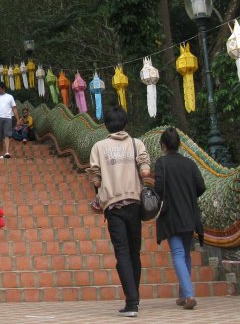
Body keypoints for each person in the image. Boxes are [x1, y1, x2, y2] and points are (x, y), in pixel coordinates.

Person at [87, 106, 151, 318]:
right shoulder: (136, 143)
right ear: (125, 123)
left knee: (122, 253)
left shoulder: (99, 147)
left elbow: (95, 178)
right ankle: (135, 300)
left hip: (114, 207)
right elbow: (145, 169)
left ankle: (131, 302)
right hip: (134, 204)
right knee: (134, 253)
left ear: (107, 125)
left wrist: (100, 184)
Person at [154, 127, 206, 310]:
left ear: (163, 146)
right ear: (179, 145)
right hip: (189, 215)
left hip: (171, 215)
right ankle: (183, 295)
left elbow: (158, 189)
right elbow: (201, 186)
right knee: (185, 254)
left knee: (177, 254)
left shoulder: (162, 163)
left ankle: (189, 294)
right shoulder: (189, 164)